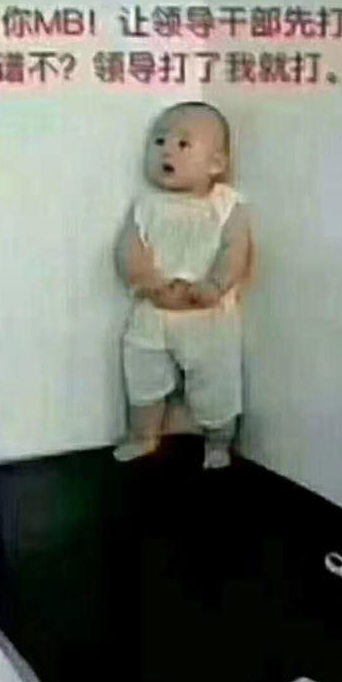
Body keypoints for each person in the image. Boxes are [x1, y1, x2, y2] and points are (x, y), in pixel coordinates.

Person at [113, 101, 254, 469]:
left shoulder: (226, 205)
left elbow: (235, 250)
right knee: (142, 374)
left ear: (216, 164)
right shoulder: (146, 204)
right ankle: (143, 434)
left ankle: (219, 441)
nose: (166, 151)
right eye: (159, 141)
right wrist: (148, 282)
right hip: (155, 308)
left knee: (216, 382)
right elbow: (128, 248)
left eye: (182, 144)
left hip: (207, 313)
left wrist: (216, 284)